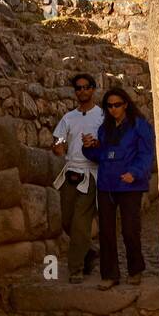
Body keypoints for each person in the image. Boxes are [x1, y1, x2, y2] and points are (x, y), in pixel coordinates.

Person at [83, 87, 155, 288]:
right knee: (106, 231)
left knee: (130, 230)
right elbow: (101, 156)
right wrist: (88, 147)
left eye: (117, 105)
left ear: (125, 105)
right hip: (106, 185)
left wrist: (135, 172)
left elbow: (146, 154)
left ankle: (135, 270)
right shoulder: (104, 129)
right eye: (109, 106)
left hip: (129, 185)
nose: (113, 109)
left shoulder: (140, 126)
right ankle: (110, 275)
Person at [52, 73, 104, 283]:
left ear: (93, 89)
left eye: (86, 87)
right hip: (70, 172)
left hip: (90, 174)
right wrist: (58, 147)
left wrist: (96, 145)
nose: (82, 91)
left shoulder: (101, 117)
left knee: (80, 223)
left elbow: (109, 143)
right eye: (78, 88)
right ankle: (90, 250)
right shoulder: (68, 118)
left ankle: (75, 268)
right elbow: (59, 140)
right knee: (66, 221)